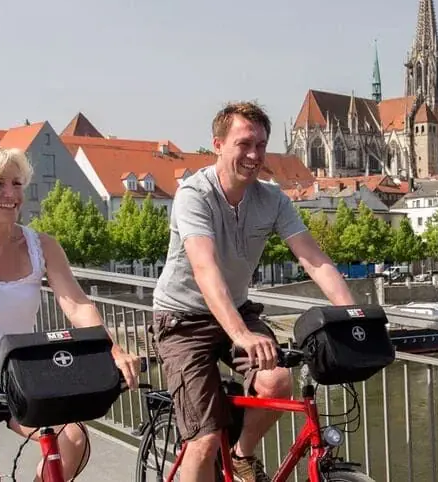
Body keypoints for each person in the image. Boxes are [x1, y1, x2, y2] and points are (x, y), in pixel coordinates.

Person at [152, 101, 356, 482]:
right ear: (218, 144)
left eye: (261, 145)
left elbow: (312, 257)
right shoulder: (193, 194)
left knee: (277, 381)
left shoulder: (273, 198)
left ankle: (242, 455)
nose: (254, 154)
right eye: (244, 144)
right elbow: (204, 269)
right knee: (204, 439)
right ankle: (215, 445)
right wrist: (242, 335)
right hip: (183, 320)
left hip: (237, 310)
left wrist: (353, 317)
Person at [0, 142, 144, 481]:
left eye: (16, 183)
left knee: (73, 439)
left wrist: (113, 349)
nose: (11, 193)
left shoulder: (42, 245)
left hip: (20, 373)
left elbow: (76, 303)